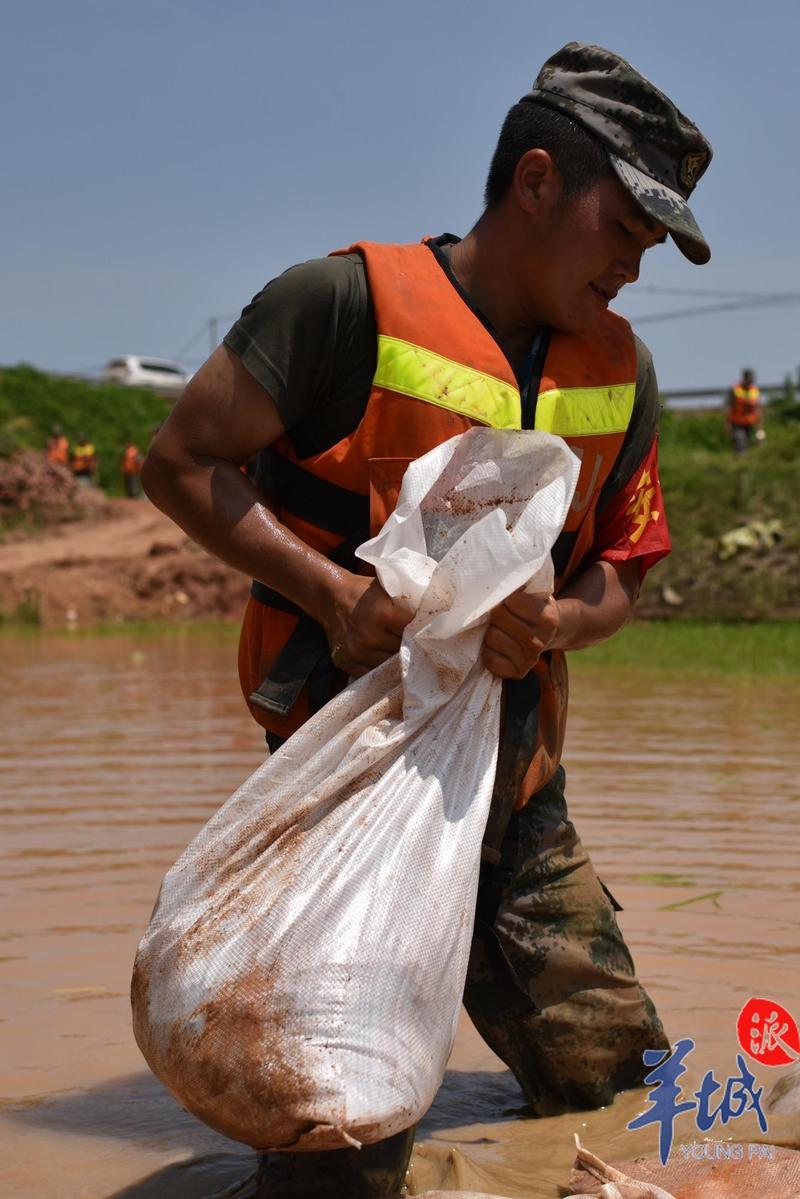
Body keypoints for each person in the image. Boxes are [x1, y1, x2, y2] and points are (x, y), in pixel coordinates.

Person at [142, 41, 713, 1199]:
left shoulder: (623, 369)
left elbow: (622, 573)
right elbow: (180, 460)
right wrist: (332, 595)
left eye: (652, 246)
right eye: (625, 228)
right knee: (335, 1145)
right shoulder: (339, 303)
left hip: (515, 792)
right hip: (346, 786)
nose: (634, 265)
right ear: (538, 180)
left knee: (637, 1096)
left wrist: (554, 618)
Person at [727, 367, 763, 452]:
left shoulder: (755, 390)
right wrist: (727, 423)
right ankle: (740, 460)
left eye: (752, 378)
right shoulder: (735, 389)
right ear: (744, 378)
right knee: (740, 441)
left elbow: (758, 408)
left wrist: (760, 423)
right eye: (749, 378)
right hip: (737, 422)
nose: (751, 380)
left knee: (755, 442)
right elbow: (729, 407)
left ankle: (747, 461)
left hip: (751, 422)